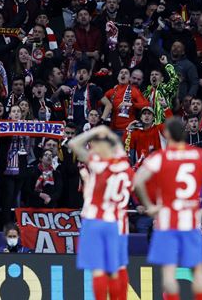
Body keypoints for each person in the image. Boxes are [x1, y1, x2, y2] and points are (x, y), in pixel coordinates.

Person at [133, 118, 202, 300]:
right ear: (184, 133)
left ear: (168, 134)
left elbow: (138, 180)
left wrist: (149, 206)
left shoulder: (161, 156)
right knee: (198, 271)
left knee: (169, 273)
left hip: (167, 221)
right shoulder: (198, 155)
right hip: (191, 220)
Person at [67, 125, 131, 300]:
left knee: (98, 269)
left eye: (97, 144)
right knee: (118, 268)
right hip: (118, 222)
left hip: (95, 220)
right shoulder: (125, 165)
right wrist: (110, 135)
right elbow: (117, 146)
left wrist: (96, 131)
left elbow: (73, 144)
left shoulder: (100, 164)